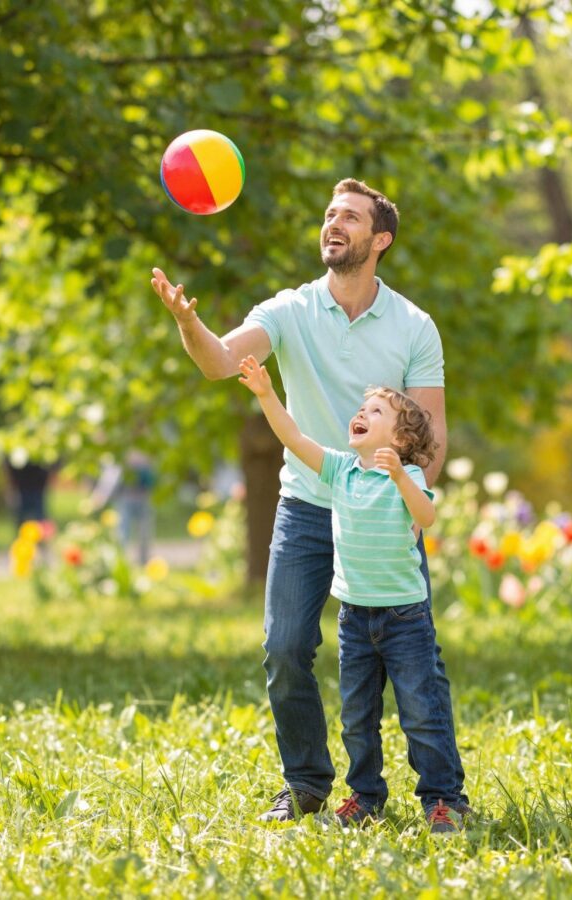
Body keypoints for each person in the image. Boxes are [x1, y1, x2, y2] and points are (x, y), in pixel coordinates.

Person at [151, 178, 468, 823]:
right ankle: (307, 785)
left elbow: (430, 437)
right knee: (286, 647)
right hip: (306, 505)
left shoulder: (415, 326)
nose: (334, 224)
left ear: (379, 239)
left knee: (412, 662)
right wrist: (189, 322)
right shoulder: (290, 310)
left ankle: (443, 796)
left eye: (349, 217)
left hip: (381, 511)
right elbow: (219, 363)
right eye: (328, 214)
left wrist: (408, 504)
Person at [239, 357, 467, 833]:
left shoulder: (409, 479)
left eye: (376, 411)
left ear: (401, 440)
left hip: (405, 619)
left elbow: (426, 518)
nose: (361, 413)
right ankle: (365, 797)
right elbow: (295, 439)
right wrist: (265, 393)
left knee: (421, 713)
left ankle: (443, 799)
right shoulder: (341, 471)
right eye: (362, 407)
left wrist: (402, 477)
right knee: (358, 719)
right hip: (356, 620)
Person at [90, 450, 157, 563]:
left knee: (144, 533)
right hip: (126, 497)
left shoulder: (147, 450)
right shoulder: (122, 450)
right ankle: (121, 561)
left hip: (143, 496)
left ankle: (144, 561)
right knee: (122, 532)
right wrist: (101, 495)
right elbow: (111, 476)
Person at [6, 460, 52, 529]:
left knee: (38, 516)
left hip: (37, 487)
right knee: (22, 516)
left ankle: (38, 535)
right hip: (22, 487)